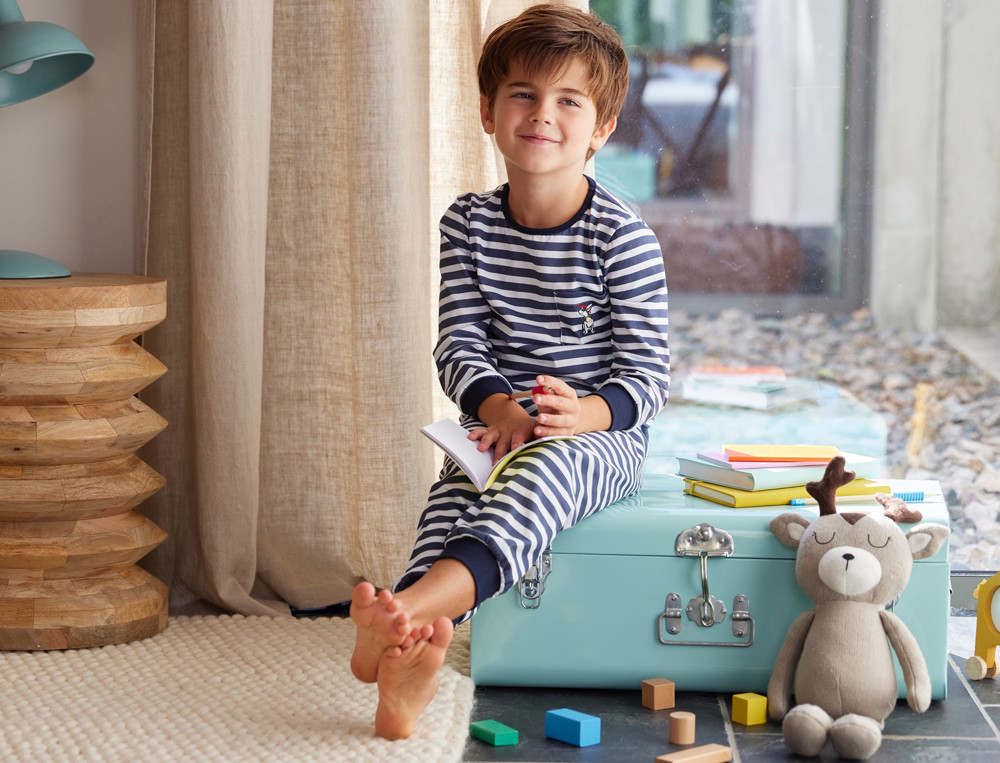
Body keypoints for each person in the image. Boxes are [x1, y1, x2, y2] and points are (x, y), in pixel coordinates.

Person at [350, 3, 670, 740]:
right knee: (455, 494)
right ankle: (404, 676)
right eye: (523, 94)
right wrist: (499, 412)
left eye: (568, 101)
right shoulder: (468, 222)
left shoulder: (623, 237)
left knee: (531, 483)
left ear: (602, 129)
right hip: (500, 424)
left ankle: (409, 609)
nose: (541, 114)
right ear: (490, 112)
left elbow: (649, 378)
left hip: (599, 437)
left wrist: (580, 415)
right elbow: (457, 344)